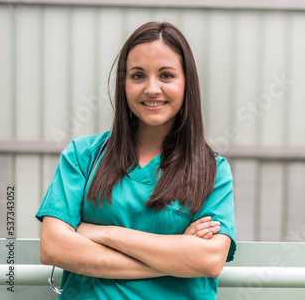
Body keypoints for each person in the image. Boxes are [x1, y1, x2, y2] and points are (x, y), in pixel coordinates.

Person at [36, 21, 237, 300]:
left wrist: (103, 234)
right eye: (138, 76)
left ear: (186, 82)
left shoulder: (212, 171)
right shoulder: (83, 156)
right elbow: (54, 248)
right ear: (124, 84)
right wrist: (175, 256)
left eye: (166, 76)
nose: (152, 89)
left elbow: (209, 260)